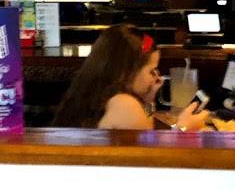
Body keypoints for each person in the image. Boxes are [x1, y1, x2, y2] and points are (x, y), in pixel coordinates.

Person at [52, 25, 210, 131]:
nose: (157, 77)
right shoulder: (124, 104)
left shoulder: (94, 92)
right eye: (151, 70)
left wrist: (148, 101)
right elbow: (151, 156)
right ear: (127, 71)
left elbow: (147, 129)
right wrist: (183, 129)